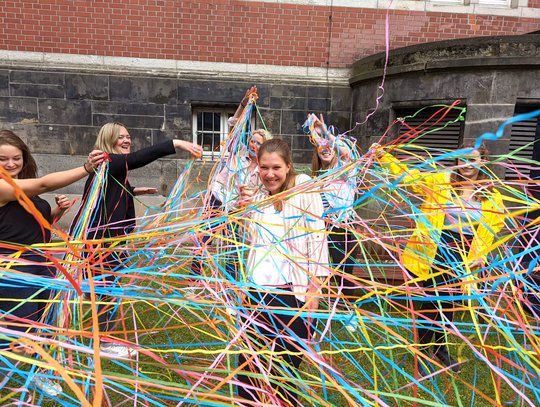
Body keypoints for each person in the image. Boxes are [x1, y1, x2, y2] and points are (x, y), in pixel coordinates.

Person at [71, 122, 202, 358]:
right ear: (108, 139)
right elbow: (141, 158)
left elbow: (111, 193)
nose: (127, 140)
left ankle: (97, 336)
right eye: (120, 137)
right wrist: (177, 143)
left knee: (103, 289)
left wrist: (134, 191)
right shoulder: (108, 161)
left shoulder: (110, 168)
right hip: (102, 243)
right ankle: (103, 343)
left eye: (128, 136)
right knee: (107, 290)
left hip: (107, 241)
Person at [373, 141, 505, 373]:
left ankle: (440, 348)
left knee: (450, 304)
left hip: (463, 255)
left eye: (472, 159)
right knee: (430, 303)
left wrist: (481, 255)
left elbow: (494, 225)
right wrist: (383, 156)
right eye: (462, 159)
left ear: (482, 161)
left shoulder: (491, 196)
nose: (466, 164)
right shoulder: (441, 182)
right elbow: (409, 178)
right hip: (436, 249)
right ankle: (422, 352)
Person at [0, 129, 104, 396]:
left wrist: (56, 211)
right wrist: (86, 168)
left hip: (42, 265)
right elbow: (45, 184)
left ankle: (39, 368)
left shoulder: (21, 184)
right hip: (15, 270)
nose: (11, 164)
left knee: (44, 323)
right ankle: (35, 373)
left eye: (16, 158)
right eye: (3, 159)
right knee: (24, 329)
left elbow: (33, 226)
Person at [236, 138, 329, 404]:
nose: (269, 173)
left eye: (276, 167)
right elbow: (252, 243)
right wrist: (245, 214)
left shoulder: (305, 193)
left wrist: (315, 290)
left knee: (283, 371)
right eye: (264, 167)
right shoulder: (257, 198)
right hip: (256, 294)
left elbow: (317, 240)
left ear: (288, 166)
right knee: (248, 368)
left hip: (290, 294)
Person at [191, 86, 272, 279]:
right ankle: (193, 278)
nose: (254, 145)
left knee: (232, 244)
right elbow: (234, 124)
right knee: (203, 237)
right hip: (217, 198)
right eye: (252, 141)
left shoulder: (264, 171)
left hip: (238, 208)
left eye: (259, 143)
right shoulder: (238, 153)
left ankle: (230, 283)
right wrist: (244, 103)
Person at [306, 114, 359, 306]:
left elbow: (347, 153)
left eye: (329, 147)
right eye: (321, 148)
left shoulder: (346, 171)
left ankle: (349, 311)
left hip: (341, 227)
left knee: (344, 271)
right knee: (318, 269)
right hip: (320, 229)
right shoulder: (316, 177)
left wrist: (326, 133)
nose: (326, 149)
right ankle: (318, 304)